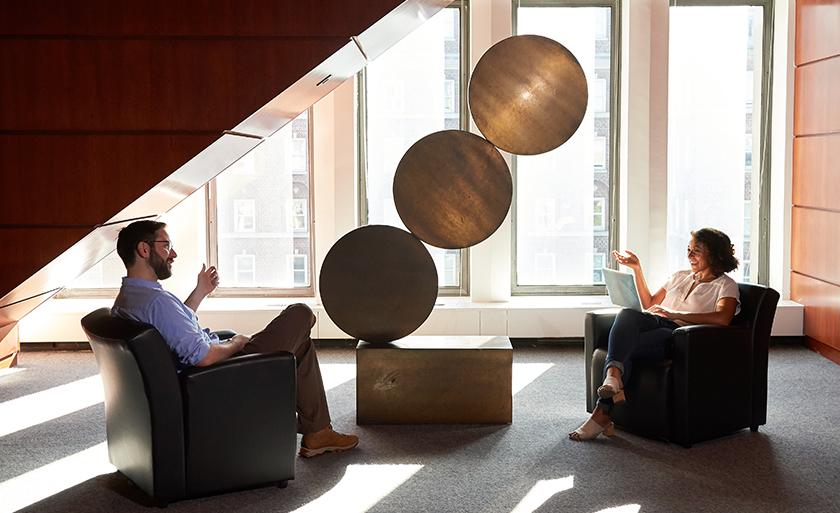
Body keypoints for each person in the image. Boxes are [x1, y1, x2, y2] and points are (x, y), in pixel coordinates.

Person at [111, 220, 358, 457]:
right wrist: (237, 343)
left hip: (207, 374)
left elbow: (173, 327)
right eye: (166, 245)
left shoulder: (130, 298)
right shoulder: (156, 301)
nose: (173, 253)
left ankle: (318, 432)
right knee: (301, 314)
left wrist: (200, 293)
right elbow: (203, 357)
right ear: (144, 249)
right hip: (219, 377)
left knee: (300, 342)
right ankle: (318, 431)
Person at [569, 227, 741, 441]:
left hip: (678, 334)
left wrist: (674, 313)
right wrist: (637, 269)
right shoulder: (680, 276)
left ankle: (603, 411)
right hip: (656, 321)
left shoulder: (725, 285)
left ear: (715, 254)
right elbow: (650, 303)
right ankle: (613, 378)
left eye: (696, 251)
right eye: (688, 249)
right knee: (627, 314)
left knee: (624, 347)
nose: (689, 255)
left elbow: (722, 318)